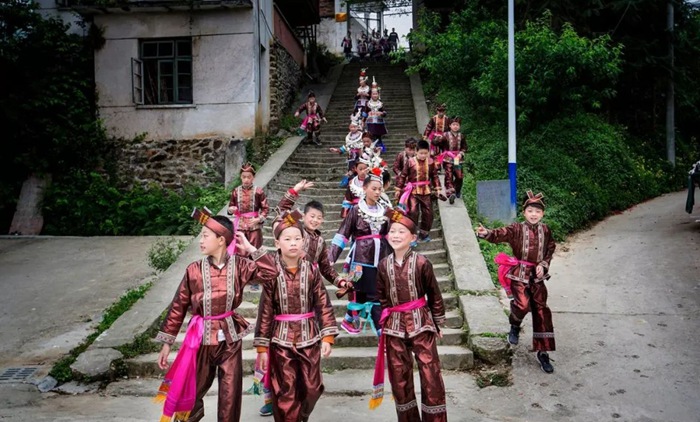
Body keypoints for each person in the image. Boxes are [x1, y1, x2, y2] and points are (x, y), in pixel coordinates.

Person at [154, 208, 279, 422]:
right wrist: (167, 342)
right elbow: (178, 306)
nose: (201, 241)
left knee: (230, 394)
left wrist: (250, 248)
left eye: (205, 236)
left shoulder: (241, 265)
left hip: (230, 339)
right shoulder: (193, 270)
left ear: (221, 240)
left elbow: (271, 273)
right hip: (200, 340)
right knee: (192, 390)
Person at [254, 210, 339, 422]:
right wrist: (262, 348)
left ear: (304, 242)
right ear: (277, 243)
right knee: (285, 390)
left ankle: (299, 417)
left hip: (309, 337)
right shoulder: (272, 274)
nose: (293, 243)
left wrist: (327, 336)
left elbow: (323, 303)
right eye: (288, 239)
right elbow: (265, 311)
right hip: (280, 340)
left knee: (312, 388)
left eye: (298, 238)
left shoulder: (311, 271)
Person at [370, 207, 447, 421]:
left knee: (431, 377)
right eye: (392, 231)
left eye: (401, 232)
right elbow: (382, 297)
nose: (395, 235)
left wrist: (438, 323)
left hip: (421, 324)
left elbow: (434, 294)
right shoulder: (383, 266)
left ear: (413, 238)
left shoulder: (423, 263)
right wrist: (384, 321)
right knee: (399, 379)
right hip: (394, 329)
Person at [476, 191, 557, 373]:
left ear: (542, 214)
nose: (534, 214)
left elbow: (550, 247)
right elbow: (500, 233)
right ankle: (514, 324)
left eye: (537, 211)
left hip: (537, 276)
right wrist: (487, 233)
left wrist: (544, 264)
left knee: (542, 310)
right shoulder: (516, 229)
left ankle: (543, 352)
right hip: (519, 274)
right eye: (530, 210)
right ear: (524, 212)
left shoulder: (546, 230)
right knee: (522, 305)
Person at [330, 170, 391, 335]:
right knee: (362, 291)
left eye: (379, 189)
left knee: (376, 292)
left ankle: (350, 320)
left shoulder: (385, 211)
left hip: (381, 258)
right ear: (364, 188)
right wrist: (330, 258)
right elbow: (343, 234)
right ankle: (380, 331)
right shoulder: (356, 210)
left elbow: (392, 235)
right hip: (360, 259)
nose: (377, 192)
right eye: (374, 188)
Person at [227, 162, 269, 290]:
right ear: (241, 177)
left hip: (254, 227)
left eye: (248, 177)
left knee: (254, 252)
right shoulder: (235, 192)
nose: (246, 179)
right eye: (244, 177)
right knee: (240, 253)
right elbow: (230, 207)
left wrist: (258, 219)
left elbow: (266, 209)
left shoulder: (258, 191)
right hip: (240, 226)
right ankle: (241, 280)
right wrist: (231, 210)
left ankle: (255, 280)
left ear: (253, 177)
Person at [395, 140, 445, 243]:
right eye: (421, 153)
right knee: (413, 212)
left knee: (429, 213)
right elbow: (403, 175)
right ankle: (412, 235)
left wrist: (438, 189)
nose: (423, 155)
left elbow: (434, 176)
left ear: (428, 152)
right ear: (416, 152)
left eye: (425, 153)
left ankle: (424, 233)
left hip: (426, 191)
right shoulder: (410, 162)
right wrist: (398, 189)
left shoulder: (431, 162)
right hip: (413, 191)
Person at [437, 117, 467, 204]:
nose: (455, 126)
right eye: (453, 124)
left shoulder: (461, 136)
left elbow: (464, 147)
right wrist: (438, 139)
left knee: (459, 176)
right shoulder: (445, 135)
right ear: (450, 125)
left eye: (457, 125)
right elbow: (437, 143)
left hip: (457, 158)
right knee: (448, 175)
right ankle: (450, 193)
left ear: (459, 126)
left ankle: (457, 190)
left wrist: (461, 153)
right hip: (448, 158)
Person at [329, 117, 364, 188]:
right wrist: (336, 150)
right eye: (351, 127)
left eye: (354, 127)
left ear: (358, 127)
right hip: (350, 156)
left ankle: (359, 183)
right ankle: (351, 183)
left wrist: (362, 155)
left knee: (358, 169)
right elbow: (346, 147)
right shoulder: (348, 137)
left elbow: (364, 146)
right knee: (351, 169)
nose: (353, 128)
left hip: (359, 155)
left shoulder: (362, 135)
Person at [362, 78, 387, 150]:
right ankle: (370, 148)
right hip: (370, 122)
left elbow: (385, 112)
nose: (375, 95)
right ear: (371, 95)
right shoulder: (368, 103)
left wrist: (381, 113)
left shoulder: (381, 104)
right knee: (370, 135)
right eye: (373, 94)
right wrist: (363, 121)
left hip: (379, 122)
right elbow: (365, 113)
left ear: (378, 95)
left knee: (378, 136)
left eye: (376, 94)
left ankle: (380, 149)